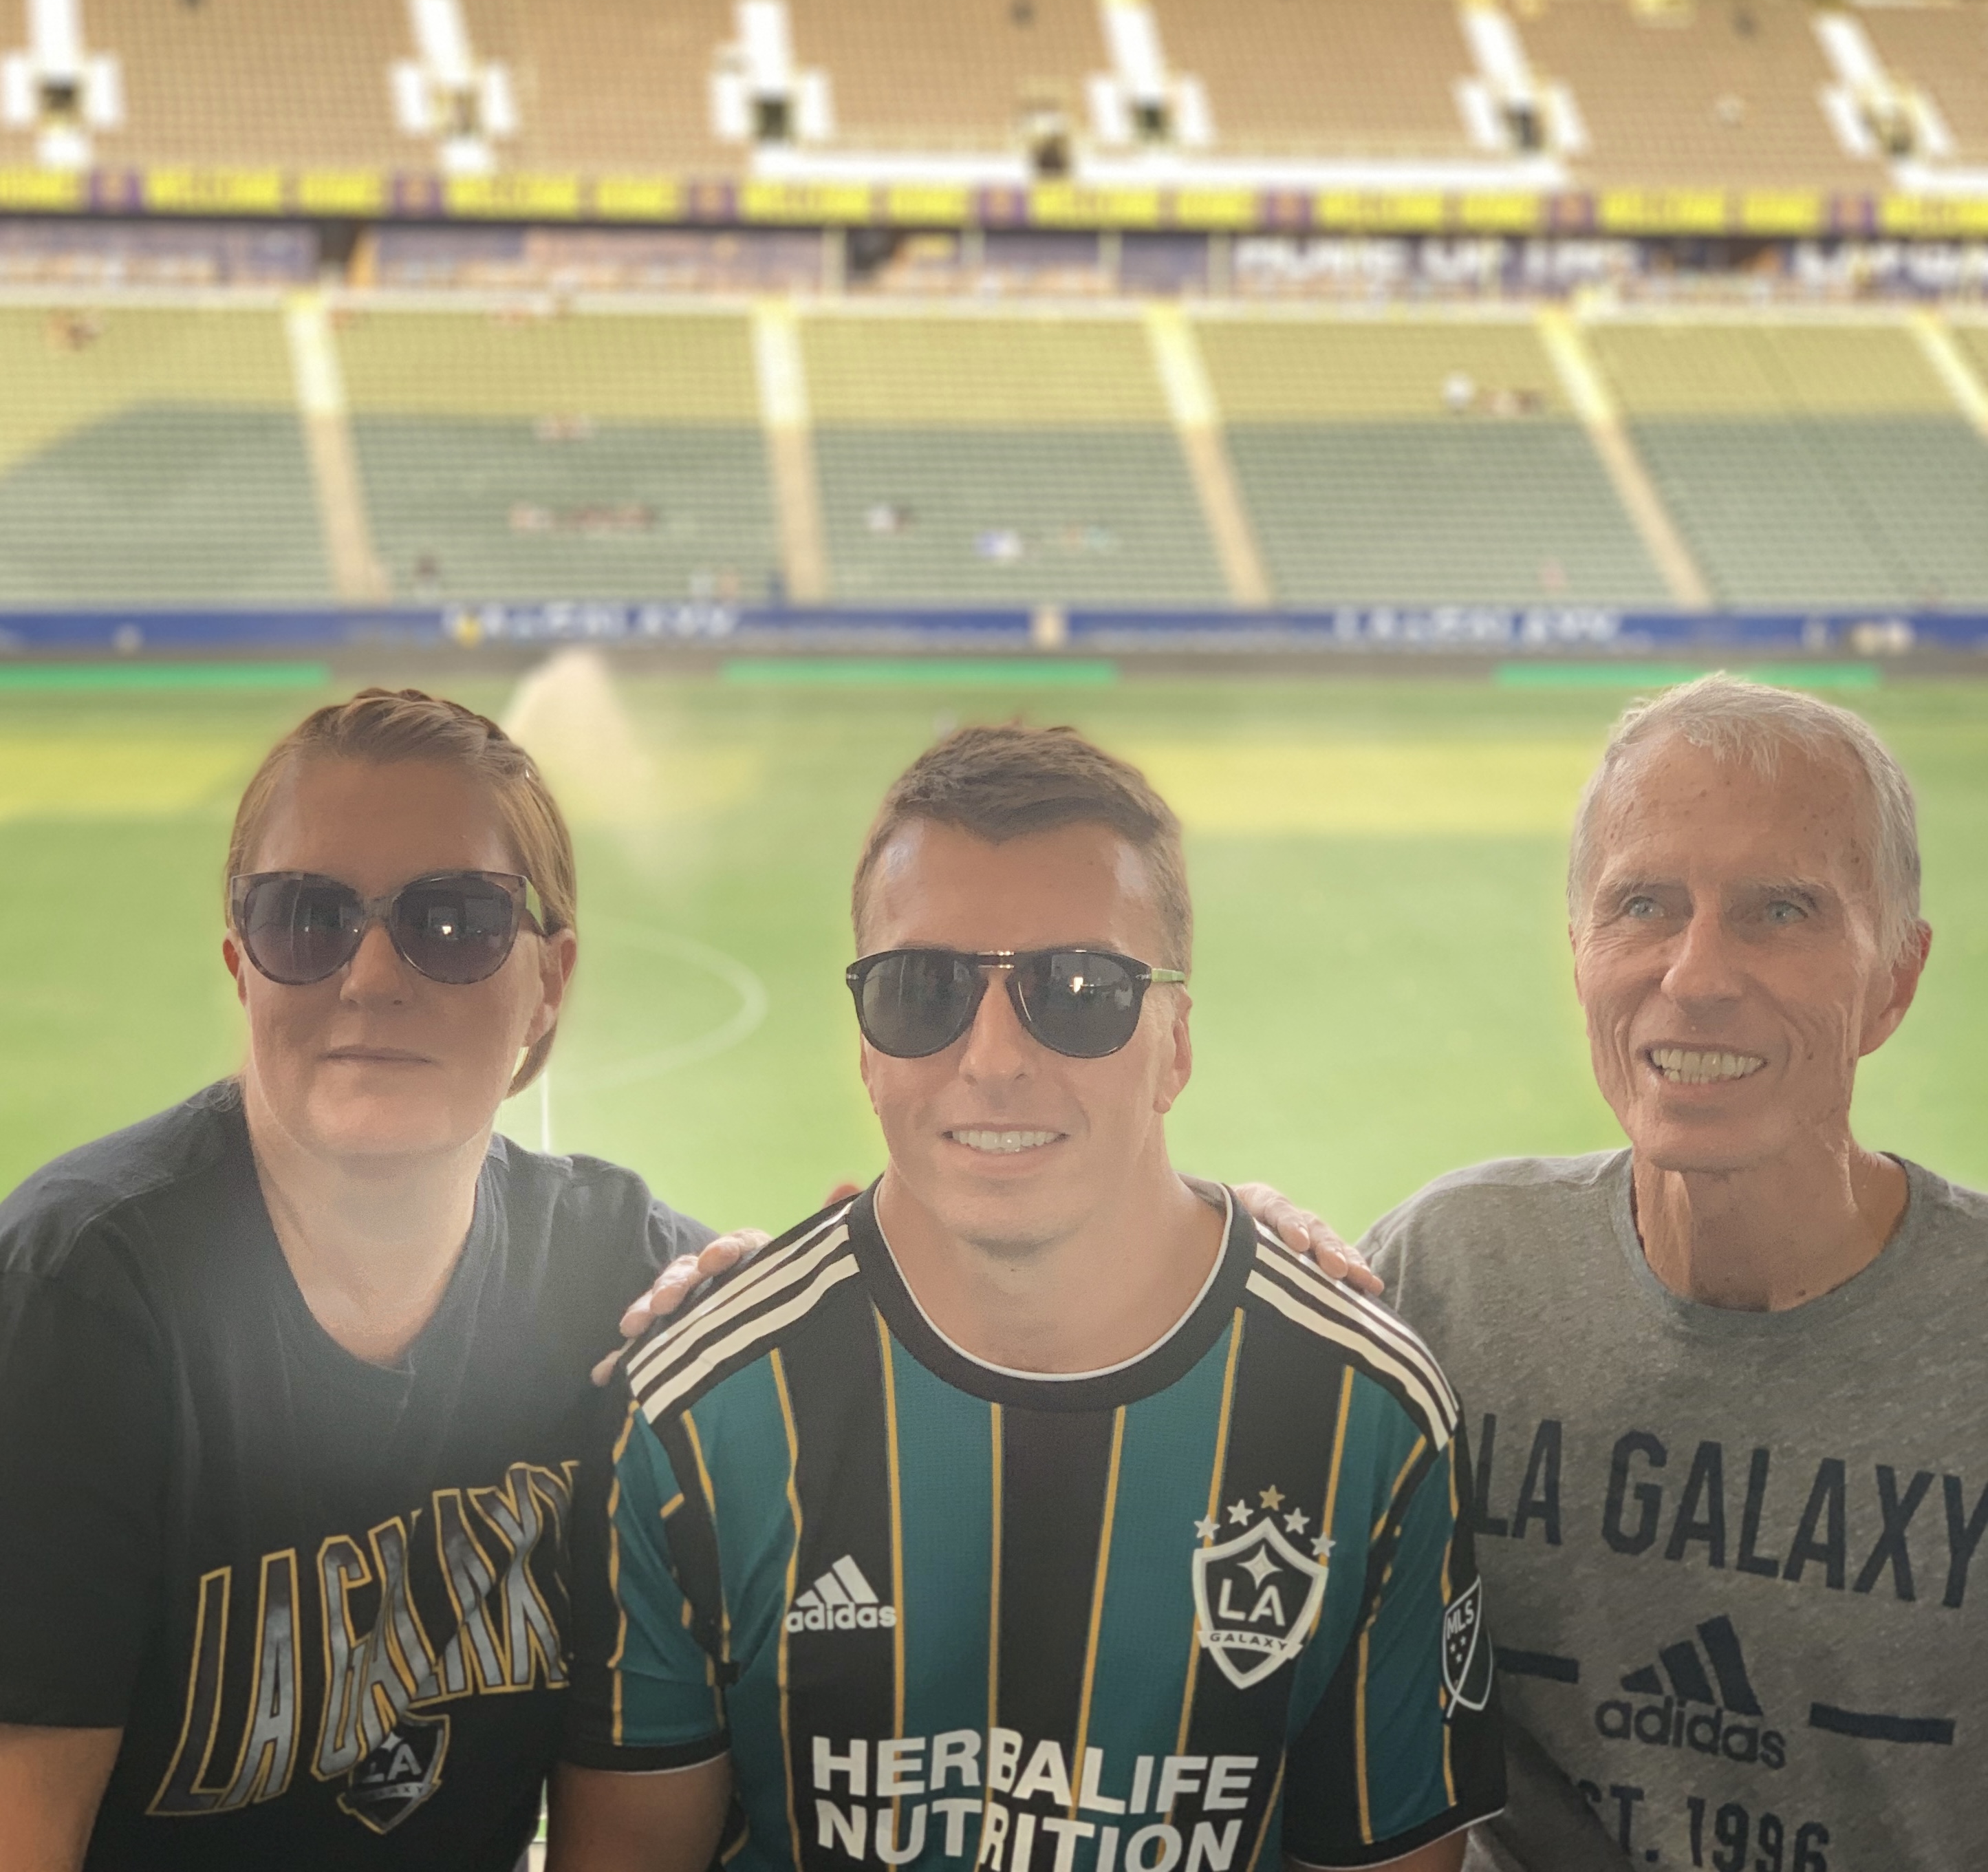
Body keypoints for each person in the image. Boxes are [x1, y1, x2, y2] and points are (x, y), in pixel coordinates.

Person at [0, 687, 1354, 1872]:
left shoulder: (619, 1268)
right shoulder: (86, 1294)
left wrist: (1207, 1238)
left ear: (548, 981)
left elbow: (880, 1280)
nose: (370, 975)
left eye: (454, 921)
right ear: (239, 961)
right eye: (305, 917)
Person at [550, 724, 1504, 1872]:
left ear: (1174, 1044)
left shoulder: (1368, 1417)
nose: (994, 1056)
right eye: (922, 990)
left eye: (1079, 989)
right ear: (865, 1049)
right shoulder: (695, 1417)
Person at [1361, 676, 1982, 1871]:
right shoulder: (1442, 1278)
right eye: (1642, 905)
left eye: (1779, 910)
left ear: (1895, 981)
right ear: (1580, 953)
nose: (1694, 975)